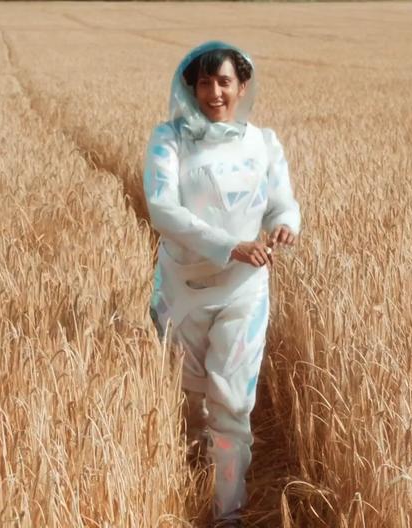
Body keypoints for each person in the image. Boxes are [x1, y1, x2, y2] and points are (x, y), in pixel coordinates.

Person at [143, 41, 301, 527]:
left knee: (232, 403)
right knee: (189, 399)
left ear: (242, 86)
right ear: (191, 87)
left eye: (225, 81)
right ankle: (189, 479)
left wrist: (286, 225)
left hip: (243, 291)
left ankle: (228, 511)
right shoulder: (168, 140)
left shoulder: (263, 143)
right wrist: (230, 244)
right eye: (205, 82)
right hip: (183, 291)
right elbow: (163, 210)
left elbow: (282, 203)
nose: (215, 92)